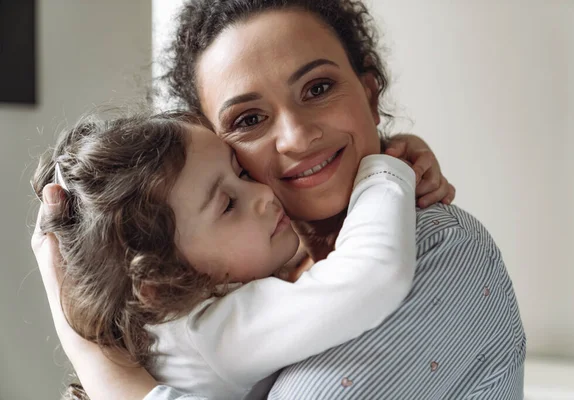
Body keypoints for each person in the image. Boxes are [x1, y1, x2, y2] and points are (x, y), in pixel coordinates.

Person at [32, 0, 525, 399]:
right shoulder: (221, 308)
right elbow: (366, 275)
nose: (296, 137)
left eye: (319, 87)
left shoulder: (438, 247)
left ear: (371, 96)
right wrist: (385, 166)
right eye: (248, 120)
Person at [32, 110, 418, 399]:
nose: (264, 195)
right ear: (158, 283)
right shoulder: (209, 328)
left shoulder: (171, 332)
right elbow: (372, 275)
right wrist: (384, 169)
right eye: (228, 204)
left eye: (243, 174)